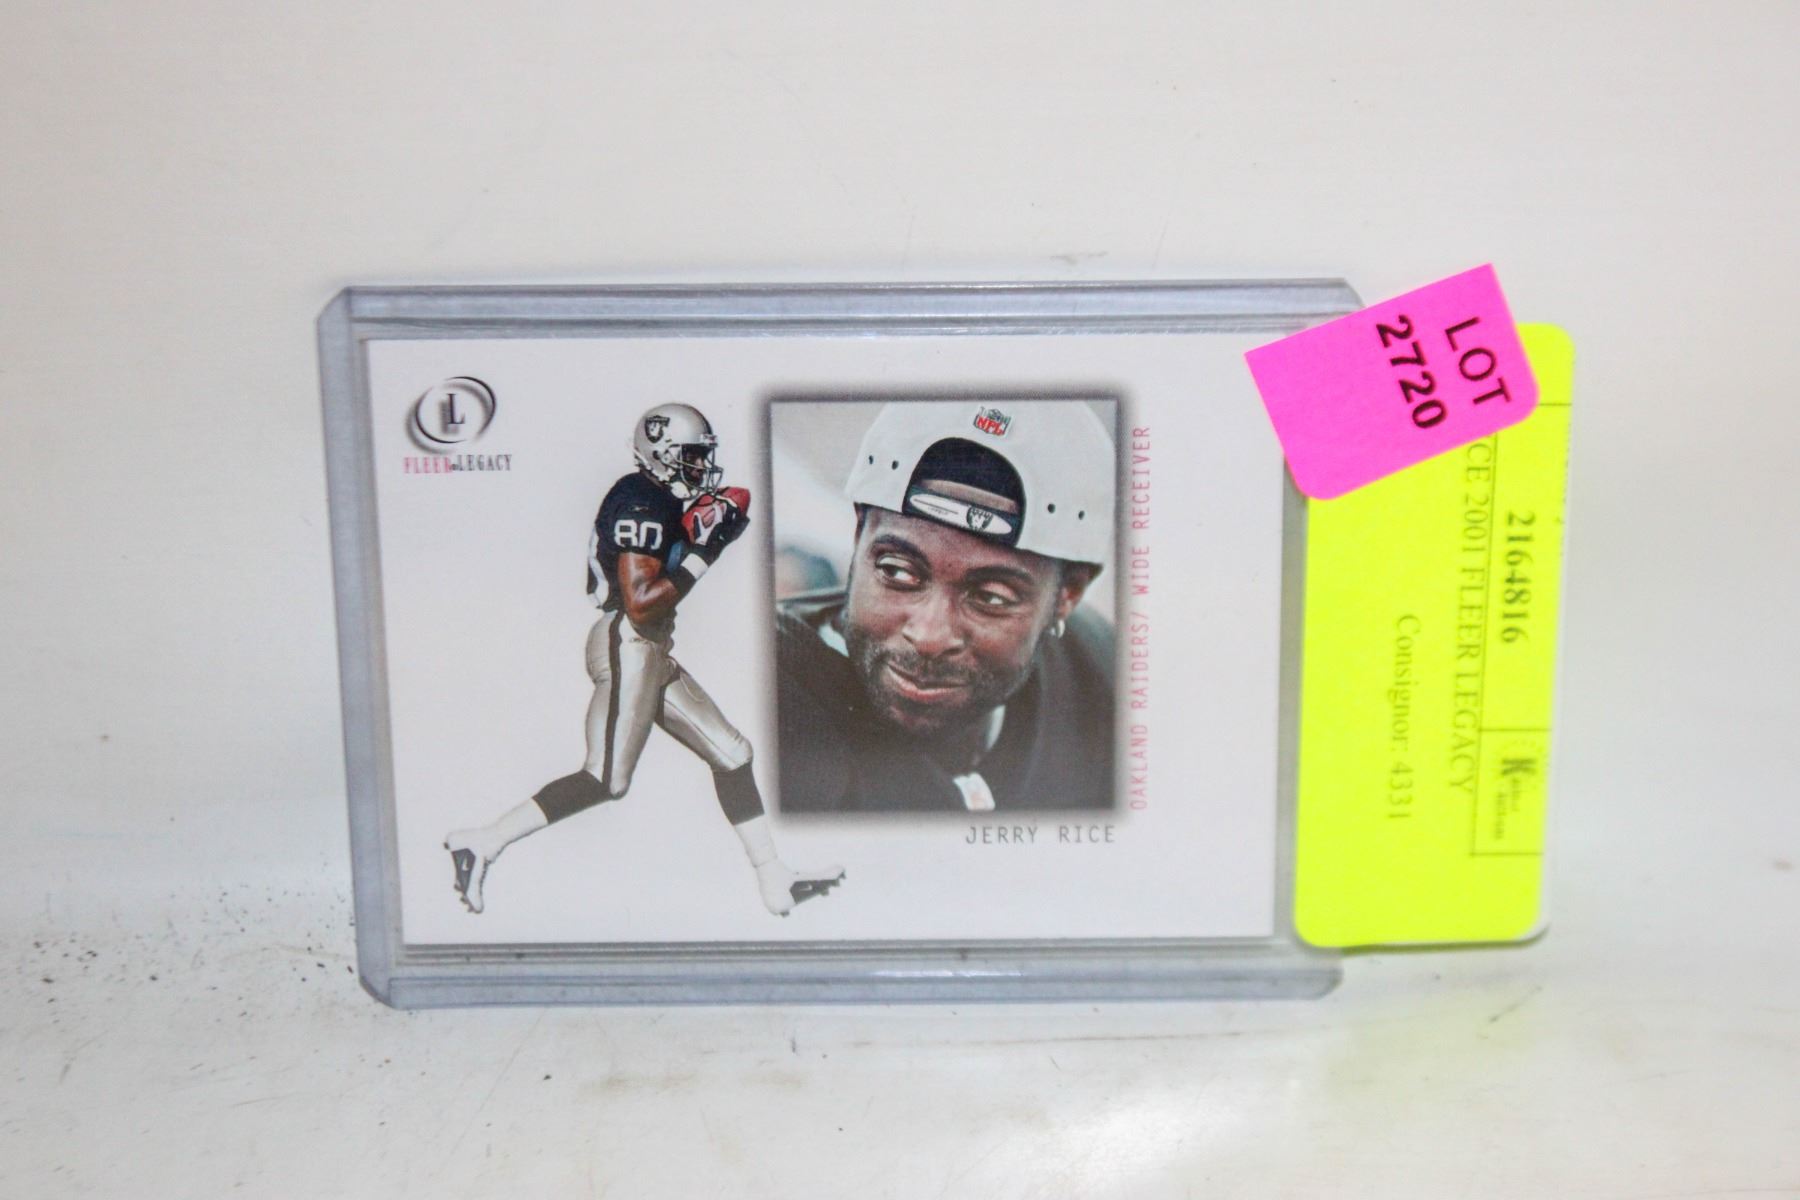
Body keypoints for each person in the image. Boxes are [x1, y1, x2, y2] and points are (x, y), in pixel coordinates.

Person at [445, 403, 845, 915]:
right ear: (662, 451)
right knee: (606, 778)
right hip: (628, 640)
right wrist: (706, 552)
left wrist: (705, 538)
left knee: (733, 754)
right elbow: (641, 601)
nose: (701, 466)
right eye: (692, 455)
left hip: (650, 647)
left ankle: (774, 879)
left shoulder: (659, 500)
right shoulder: (641, 500)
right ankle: (483, 842)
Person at [776, 400, 1115, 813]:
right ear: (859, 531)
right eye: (897, 572)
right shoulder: (766, 696)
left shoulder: (1095, 679)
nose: (928, 636)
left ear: (1067, 595)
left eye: (991, 597)